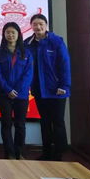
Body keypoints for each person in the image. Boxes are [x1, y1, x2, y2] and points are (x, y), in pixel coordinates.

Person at [24, 14, 71, 161]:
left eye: (41, 24)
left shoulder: (56, 41)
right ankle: (46, 152)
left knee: (57, 121)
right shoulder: (27, 44)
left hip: (57, 89)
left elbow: (64, 64)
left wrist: (64, 85)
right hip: (39, 89)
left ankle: (59, 154)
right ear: (31, 26)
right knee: (44, 121)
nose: (38, 27)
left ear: (46, 25)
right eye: (35, 24)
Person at [0, 22, 33, 160]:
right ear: (4, 34)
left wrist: (17, 90)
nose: (10, 35)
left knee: (20, 124)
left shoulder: (26, 53)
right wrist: (8, 89)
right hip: (4, 93)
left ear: (18, 35)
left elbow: (28, 74)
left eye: (13, 32)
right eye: (8, 32)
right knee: (6, 123)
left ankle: (19, 152)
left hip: (21, 95)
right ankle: (9, 153)